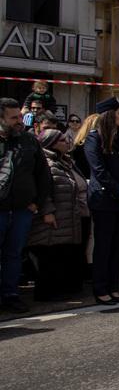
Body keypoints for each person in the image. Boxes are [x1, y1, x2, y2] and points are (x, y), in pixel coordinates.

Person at [0, 99, 53, 313]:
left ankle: (10, 295)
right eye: (14, 118)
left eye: (20, 117)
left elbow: (43, 175)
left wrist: (36, 203)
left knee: (14, 254)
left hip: (22, 210)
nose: (19, 121)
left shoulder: (29, 141)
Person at [84, 98, 119, 305]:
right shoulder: (94, 138)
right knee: (104, 246)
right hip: (105, 200)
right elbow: (100, 171)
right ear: (109, 115)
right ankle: (101, 288)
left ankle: (114, 287)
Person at [26, 128, 87, 300]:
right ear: (51, 144)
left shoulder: (65, 161)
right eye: (61, 140)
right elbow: (42, 190)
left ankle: (62, 289)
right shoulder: (45, 162)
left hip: (67, 215)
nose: (66, 142)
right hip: (51, 217)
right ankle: (46, 293)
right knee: (48, 256)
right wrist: (47, 211)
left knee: (61, 254)